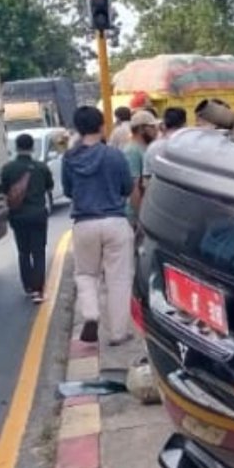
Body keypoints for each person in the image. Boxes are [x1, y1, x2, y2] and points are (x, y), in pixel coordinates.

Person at [62, 106, 135, 346]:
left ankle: (91, 314)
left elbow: (68, 191)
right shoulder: (115, 155)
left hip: (84, 223)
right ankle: (118, 333)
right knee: (118, 279)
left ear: (78, 129)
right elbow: (127, 187)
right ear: (102, 126)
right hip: (115, 221)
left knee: (85, 274)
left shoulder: (69, 158)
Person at [0, 133, 54, 302]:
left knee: (23, 252)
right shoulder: (41, 167)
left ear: (16, 148)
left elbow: (3, 190)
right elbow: (50, 186)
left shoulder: (8, 169)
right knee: (38, 252)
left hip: (18, 216)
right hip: (38, 215)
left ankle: (28, 287)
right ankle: (38, 290)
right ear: (32, 148)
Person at [124, 109, 160, 223]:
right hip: (135, 216)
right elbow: (133, 187)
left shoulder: (144, 148)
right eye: (152, 127)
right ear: (141, 129)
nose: (156, 130)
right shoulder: (132, 151)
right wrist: (141, 217)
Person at [143, 106, 187, 181]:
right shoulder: (188, 147)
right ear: (184, 124)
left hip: (157, 187)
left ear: (165, 124)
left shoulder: (153, 147)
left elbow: (146, 177)